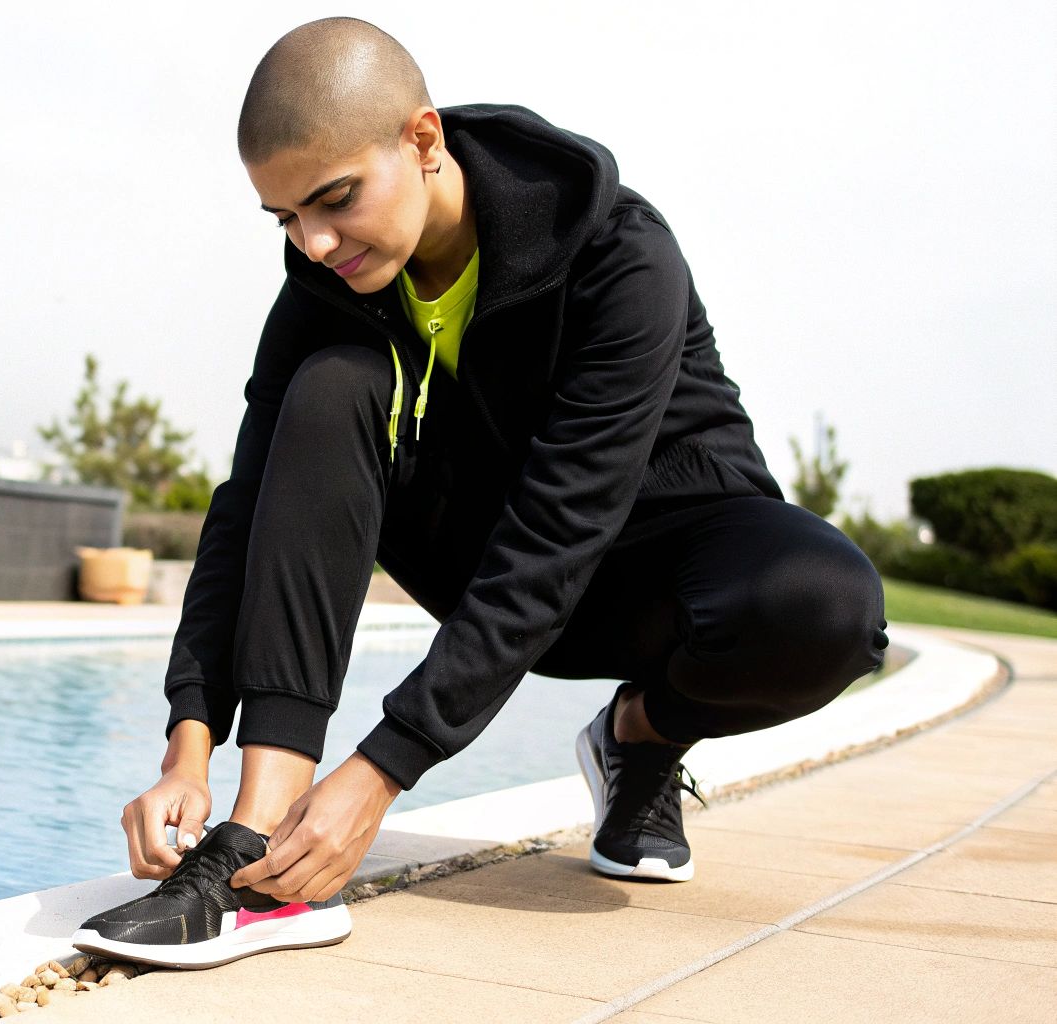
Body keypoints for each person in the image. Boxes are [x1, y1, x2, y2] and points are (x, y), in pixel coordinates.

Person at [71, 16, 889, 970]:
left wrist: (384, 769)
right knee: (330, 385)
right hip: (478, 550)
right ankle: (261, 845)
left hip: (653, 557)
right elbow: (247, 503)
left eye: (335, 199)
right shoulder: (323, 283)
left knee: (827, 609)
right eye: (287, 217)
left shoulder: (620, 253)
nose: (315, 240)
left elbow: (559, 532)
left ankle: (640, 737)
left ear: (423, 140)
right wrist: (188, 738)